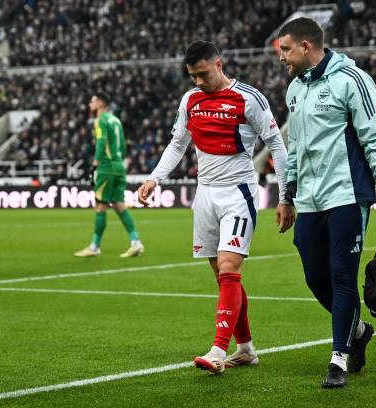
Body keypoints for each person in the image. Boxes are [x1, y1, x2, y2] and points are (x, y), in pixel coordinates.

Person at [137, 41, 294, 374]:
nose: (198, 82)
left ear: (218, 65)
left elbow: (276, 146)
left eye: (203, 74)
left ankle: (218, 351)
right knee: (223, 277)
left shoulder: (248, 98)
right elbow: (177, 143)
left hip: (239, 194)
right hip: (205, 195)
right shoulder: (190, 100)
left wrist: (285, 196)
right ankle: (246, 348)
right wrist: (154, 178)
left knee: (228, 268)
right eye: (193, 76)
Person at [277, 18, 376, 388]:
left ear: (305, 47)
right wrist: (288, 191)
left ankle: (339, 360)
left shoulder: (353, 79)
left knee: (342, 275)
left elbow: (373, 135)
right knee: (315, 277)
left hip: (347, 193)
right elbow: (295, 146)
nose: (281, 57)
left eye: (285, 49)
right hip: (309, 198)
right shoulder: (295, 89)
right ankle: (359, 330)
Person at [74, 92, 144, 258]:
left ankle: (94, 246)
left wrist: (95, 164)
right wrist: (119, 161)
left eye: (92, 101)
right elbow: (123, 147)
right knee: (119, 205)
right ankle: (136, 242)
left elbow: (101, 142)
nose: (90, 104)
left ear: (100, 103)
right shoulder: (116, 120)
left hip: (106, 166)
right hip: (119, 166)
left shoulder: (100, 120)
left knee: (100, 206)